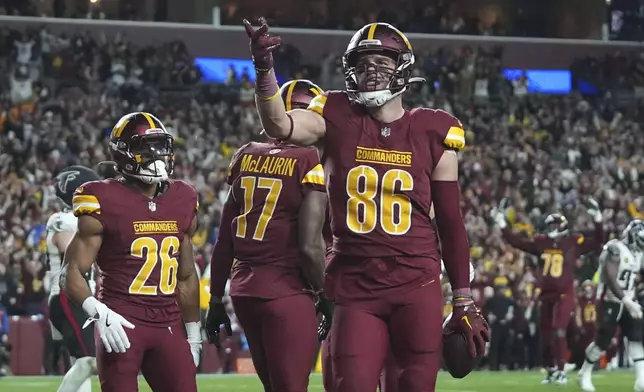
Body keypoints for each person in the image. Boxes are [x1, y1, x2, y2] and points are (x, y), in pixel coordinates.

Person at [243, 18, 489, 392]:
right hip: (354, 283)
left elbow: (451, 223)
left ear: (402, 67)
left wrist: (463, 298)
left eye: (382, 62)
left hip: (416, 282)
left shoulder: (433, 130)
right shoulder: (336, 114)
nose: (371, 72)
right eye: (362, 63)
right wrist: (264, 69)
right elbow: (278, 125)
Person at [205, 79, 332, 392]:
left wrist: (216, 298)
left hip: (244, 292)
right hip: (288, 290)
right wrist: (325, 295)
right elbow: (309, 246)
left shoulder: (246, 154)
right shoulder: (309, 160)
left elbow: (224, 240)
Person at [61, 112, 201, 392]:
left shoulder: (182, 196)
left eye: (161, 147)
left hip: (168, 322)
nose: (157, 156)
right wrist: (98, 312)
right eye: (145, 149)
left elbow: (185, 276)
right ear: (123, 154)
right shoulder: (102, 197)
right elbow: (71, 271)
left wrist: (194, 333)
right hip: (121, 320)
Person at [492, 198, 604, 385]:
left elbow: (598, 242)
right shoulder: (541, 242)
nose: (550, 227)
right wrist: (502, 224)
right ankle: (551, 369)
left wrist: (598, 220)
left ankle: (561, 370)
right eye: (549, 224)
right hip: (546, 293)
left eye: (553, 224)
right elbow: (517, 242)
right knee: (545, 335)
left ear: (562, 226)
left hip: (564, 293)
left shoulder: (572, 241)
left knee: (558, 330)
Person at [47, 166, 100, 392]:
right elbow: (70, 250)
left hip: (82, 297)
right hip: (67, 296)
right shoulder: (63, 219)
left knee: (80, 361)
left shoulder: (82, 220)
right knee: (91, 361)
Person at [578, 220, 644, 392]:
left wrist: (636, 294)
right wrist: (626, 300)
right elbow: (610, 278)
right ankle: (584, 372)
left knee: (637, 337)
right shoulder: (614, 249)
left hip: (629, 300)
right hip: (609, 300)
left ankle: (641, 380)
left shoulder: (638, 253)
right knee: (602, 341)